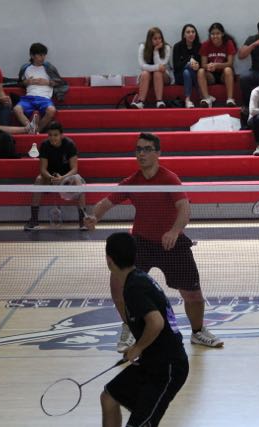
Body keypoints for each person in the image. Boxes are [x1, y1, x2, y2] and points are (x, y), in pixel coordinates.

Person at [85, 132, 224, 350]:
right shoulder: (133, 181)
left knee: (193, 295)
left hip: (172, 244)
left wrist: (174, 231)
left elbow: (184, 208)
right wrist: (94, 216)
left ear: (158, 153)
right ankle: (129, 328)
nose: (141, 154)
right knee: (118, 284)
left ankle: (197, 332)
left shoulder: (169, 179)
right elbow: (107, 201)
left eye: (147, 149)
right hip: (141, 243)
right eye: (138, 149)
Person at [100, 232, 189, 427]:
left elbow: (156, 322)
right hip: (152, 362)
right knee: (109, 397)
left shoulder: (134, 288)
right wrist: (140, 348)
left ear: (109, 261)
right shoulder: (138, 278)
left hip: (168, 368)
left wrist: (138, 347)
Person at [23, 121, 86, 231]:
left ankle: (82, 220)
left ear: (61, 135)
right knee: (38, 180)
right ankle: (34, 220)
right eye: (50, 135)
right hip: (50, 178)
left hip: (67, 179)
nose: (53, 138)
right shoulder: (45, 145)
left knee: (78, 180)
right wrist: (51, 177)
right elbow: (42, 169)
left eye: (56, 135)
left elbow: (74, 169)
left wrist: (62, 178)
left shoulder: (69, 144)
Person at [14, 42, 67, 133]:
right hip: (29, 97)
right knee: (16, 109)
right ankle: (31, 128)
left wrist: (48, 82)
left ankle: (37, 130)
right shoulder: (26, 68)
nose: (43, 58)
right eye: (40, 55)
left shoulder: (49, 68)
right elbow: (19, 83)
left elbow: (61, 83)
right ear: (32, 55)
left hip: (44, 98)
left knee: (51, 110)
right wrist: (26, 82)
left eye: (44, 55)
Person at [197, 22, 237, 108]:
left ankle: (230, 99)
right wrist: (209, 66)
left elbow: (230, 63)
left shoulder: (228, 43)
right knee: (200, 71)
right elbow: (203, 64)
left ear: (222, 34)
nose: (215, 36)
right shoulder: (205, 44)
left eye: (218, 33)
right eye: (213, 34)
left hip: (224, 74)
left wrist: (216, 65)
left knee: (228, 69)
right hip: (211, 75)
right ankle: (207, 98)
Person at [132, 27, 172, 109]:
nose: (158, 41)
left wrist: (156, 51)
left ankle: (159, 101)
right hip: (147, 77)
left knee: (157, 73)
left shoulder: (166, 47)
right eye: (155, 39)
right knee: (145, 73)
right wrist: (156, 67)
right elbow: (142, 66)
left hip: (164, 76)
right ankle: (141, 102)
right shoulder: (142, 47)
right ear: (149, 39)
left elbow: (161, 65)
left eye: (160, 38)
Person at [172, 24, 202, 108]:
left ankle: (188, 100)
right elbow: (176, 67)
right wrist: (188, 63)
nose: (191, 34)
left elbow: (202, 64)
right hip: (180, 76)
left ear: (195, 34)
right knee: (186, 71)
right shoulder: (177, 46)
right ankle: (201, 96)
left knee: (188, 72)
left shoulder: (199, 46)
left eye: (193, 32)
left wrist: (197, 65)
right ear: (184, 35)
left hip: (195, 75)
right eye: (188, 32)